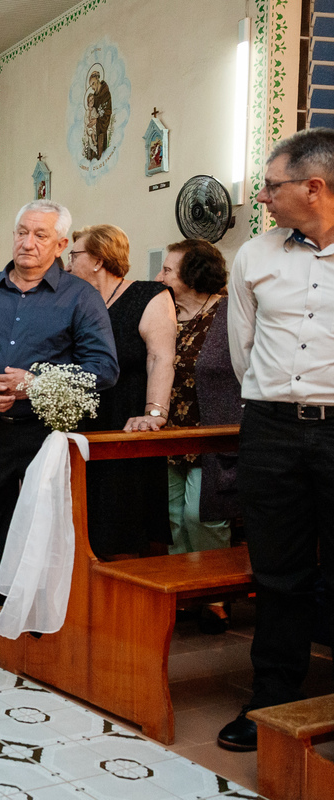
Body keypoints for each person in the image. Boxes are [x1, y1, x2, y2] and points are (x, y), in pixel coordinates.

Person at [0, 200, 118, 657]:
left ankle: (40, 621)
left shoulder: (79, 296)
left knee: (45, 523)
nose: (28, 242)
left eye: (40, 235)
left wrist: (36, 383)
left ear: (61, 244)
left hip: (47, 433)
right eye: (22, 232)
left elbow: (104, 368)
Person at [219, 128, 334, 752]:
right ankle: (271, 698)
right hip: (271, 427)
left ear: (313, 187)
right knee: (278, 570)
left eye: (270, 185)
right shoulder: (255, 254)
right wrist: (272, 401)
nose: (260, 197)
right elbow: (244, 347)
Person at [67, 224, 175, 558]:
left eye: (74, 255)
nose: (68, 264)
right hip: (81, 416)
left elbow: (160, 357)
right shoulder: (74, 300)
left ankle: (121, 578)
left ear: (98, 260)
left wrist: (154, 412)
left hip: (126, 413)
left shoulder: (148, 295)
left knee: (121, 510)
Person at [153, 239, 242, 633]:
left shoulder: (228, 312)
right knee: (173, 516)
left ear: (193, 275)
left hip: (213, 430)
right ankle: (186, 593)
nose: (160, 277)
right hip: (170, 431)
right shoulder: (166, 313)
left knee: (201, 513)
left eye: (168, 270)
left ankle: (215, 594)